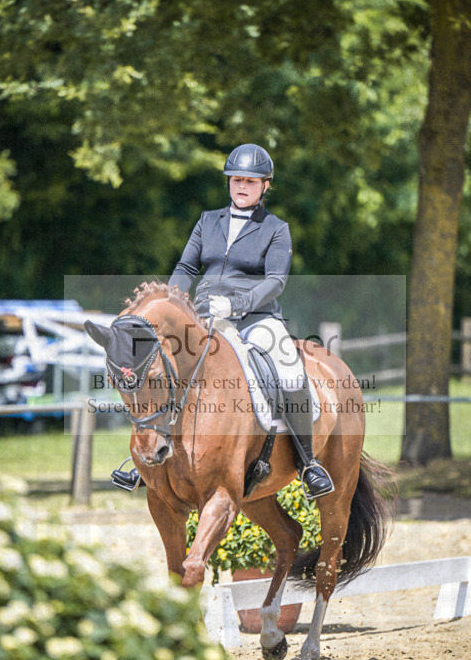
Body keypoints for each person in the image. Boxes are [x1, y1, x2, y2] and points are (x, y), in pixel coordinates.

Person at [112, 143, 334, 499]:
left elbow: (275, 281)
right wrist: (175, 306)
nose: (241, 186)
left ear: (265, 185)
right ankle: (141, 458)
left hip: (256, 318)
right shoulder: (207, 221)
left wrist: (235, 304)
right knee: (162, 369)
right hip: (202, 317)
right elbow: (186, 267)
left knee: (290, 369)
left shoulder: (276, 228)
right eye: (235, 180)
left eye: (250, 180)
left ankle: (308, 463)